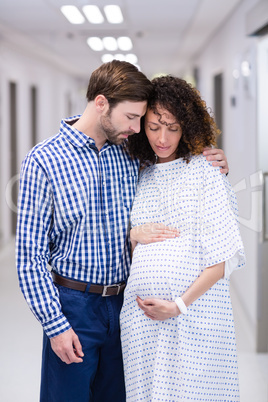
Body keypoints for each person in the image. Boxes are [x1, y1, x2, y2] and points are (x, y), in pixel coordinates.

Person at [16, 61, 229, 402]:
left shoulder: (132, 153)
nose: (136, 127)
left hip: (126, 306)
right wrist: (54, 324)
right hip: (74, 306)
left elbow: (172, 167)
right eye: (132, 118)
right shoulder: (44, 160)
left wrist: (214, 158)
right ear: (101, 103)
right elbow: (30, 257)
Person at [120, 75, 245, 401]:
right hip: (141, 322)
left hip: (193, 318)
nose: (162, 138)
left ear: (187, 126)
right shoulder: (140, 173)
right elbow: (124, 235)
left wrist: (178, 304)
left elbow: (224, 256)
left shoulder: (206, 171)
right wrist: (133, 234)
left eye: (172, 128)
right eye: (153, 126)